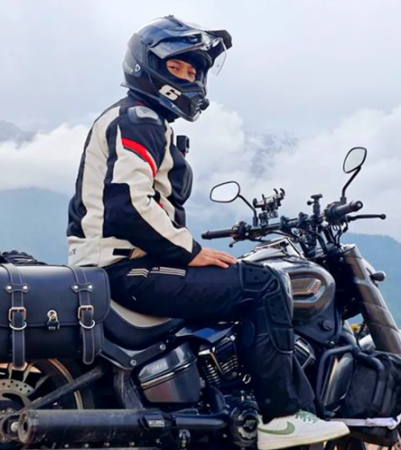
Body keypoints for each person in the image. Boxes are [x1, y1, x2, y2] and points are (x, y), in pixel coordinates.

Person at [67, 15, 349, 449]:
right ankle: (282, 418)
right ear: (148, 66)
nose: (186, 78)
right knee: (264, 285)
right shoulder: (139, 119)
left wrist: (188, 251)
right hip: (126, 270)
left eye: (192, 71)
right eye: (176, 67)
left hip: (121, 267)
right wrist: (191, 251)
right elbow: (128, 207)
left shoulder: (142, 120)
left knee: (235, 281)